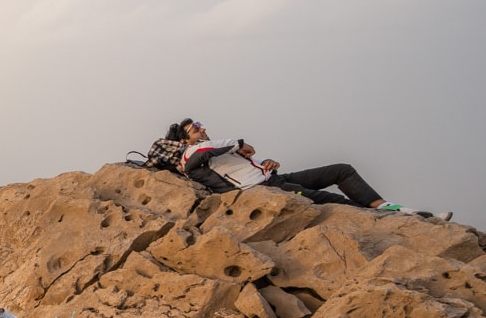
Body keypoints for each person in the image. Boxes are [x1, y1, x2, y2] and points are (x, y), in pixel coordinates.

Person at [170, 118, 450, 221]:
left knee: (342, 170)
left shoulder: (216, 150)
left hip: (275, 180)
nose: (202, 127)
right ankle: (398, 218)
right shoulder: (191, 154)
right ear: (184, 139)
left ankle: (387, 207)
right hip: (263, 193)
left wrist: (266, 163)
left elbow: (224, 154)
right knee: (335, 203)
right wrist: (240, 142)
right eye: (195, 127)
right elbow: (201, 154)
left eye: (200, 124)